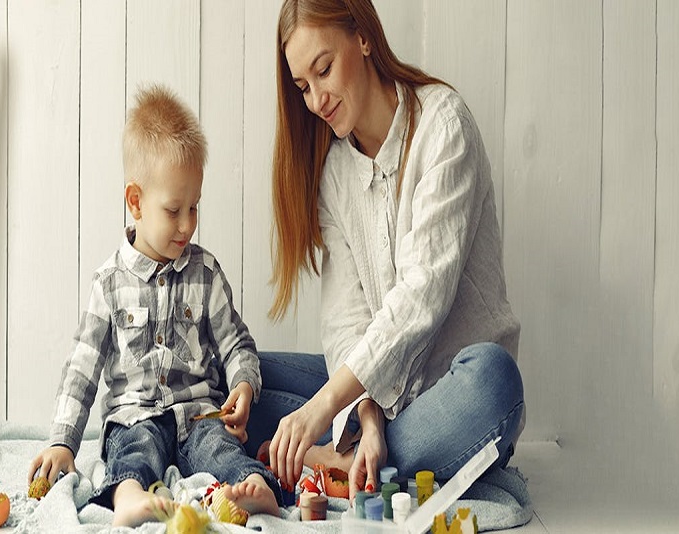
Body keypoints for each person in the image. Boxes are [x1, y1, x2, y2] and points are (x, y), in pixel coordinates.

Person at [249, 0, 526, 503]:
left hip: (454, 394)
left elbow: (423, 297)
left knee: (495, 379)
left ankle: (334, 459)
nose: (315, 100)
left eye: (323, 69)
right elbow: (345, 322)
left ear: (364, 38)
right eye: (303, 86)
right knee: (240, 374)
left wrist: (322, 410)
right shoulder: (334, 172)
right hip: (378, 398)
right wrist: (367, 416)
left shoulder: (444, 126)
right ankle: (358, 453)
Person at [27, 85, 280, 527]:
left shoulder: (205, 272)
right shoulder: (109, 285)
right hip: (135, 415)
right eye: (174, 209)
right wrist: (63, 441)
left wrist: (244, 384)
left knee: (217, 446)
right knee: (135, 448)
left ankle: (251, 487)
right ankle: (127, 497)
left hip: (198, 413)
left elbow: (236, 341)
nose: (187, 225)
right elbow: (82, 370)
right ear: (136, 202)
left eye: (195, 207)